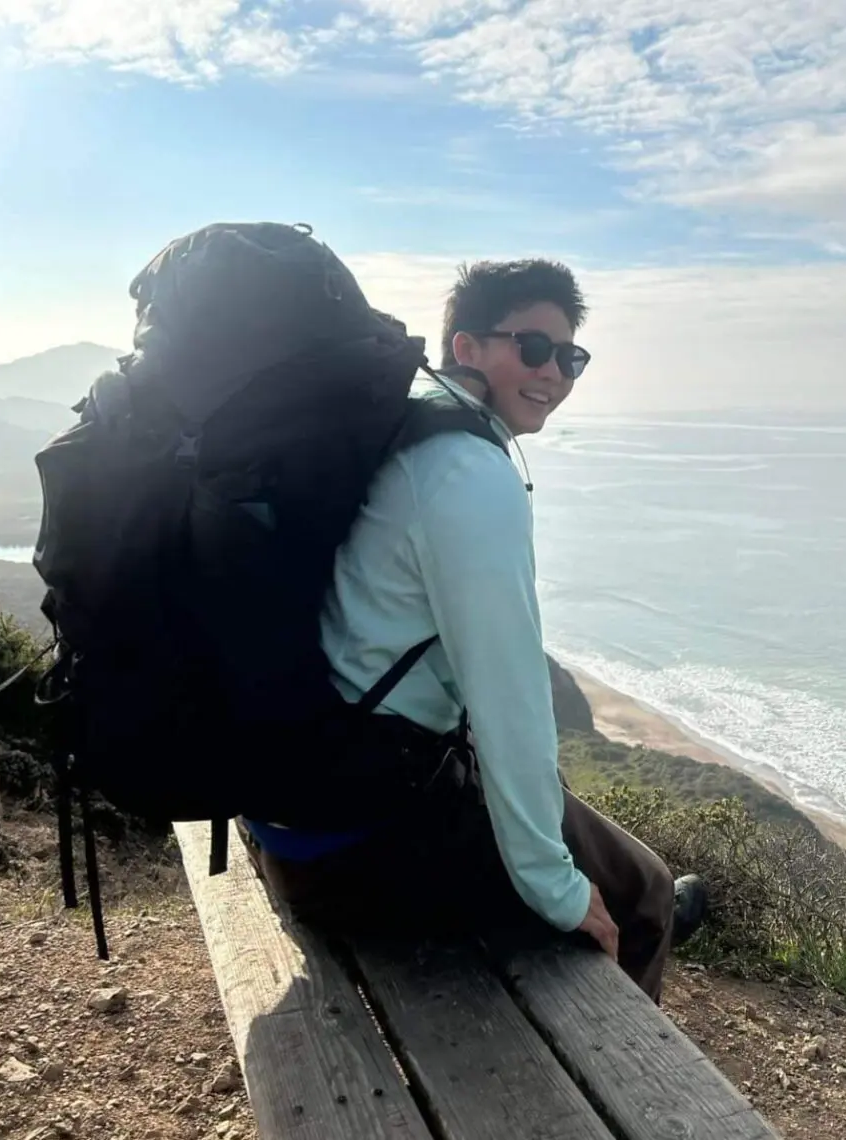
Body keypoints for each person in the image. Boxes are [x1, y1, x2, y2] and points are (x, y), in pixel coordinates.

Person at [244, 258, 707, 1002]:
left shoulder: (399, 422)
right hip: (357, 845)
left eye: (569, 357)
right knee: (646, 894)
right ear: (465, 348)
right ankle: (616, 1105)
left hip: (303, 805)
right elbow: (510, 700)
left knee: (572, 827)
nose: (552, 372)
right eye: (531, 347)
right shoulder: (467, 471)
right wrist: (555, 889)